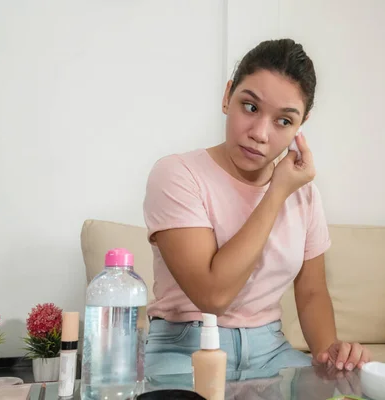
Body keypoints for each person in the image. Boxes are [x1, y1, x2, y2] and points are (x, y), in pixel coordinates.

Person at [142, 38, 371, 376]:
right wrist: (276, 193)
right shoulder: (178, 174)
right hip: (184, 348)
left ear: (300, 125)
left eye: (283, 121)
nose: (260, 134)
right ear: (227, 96)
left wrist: (330, 354)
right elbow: (213, 295)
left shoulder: (305, 195)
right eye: (250, 107)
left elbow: (311, 292)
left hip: (271, 352)